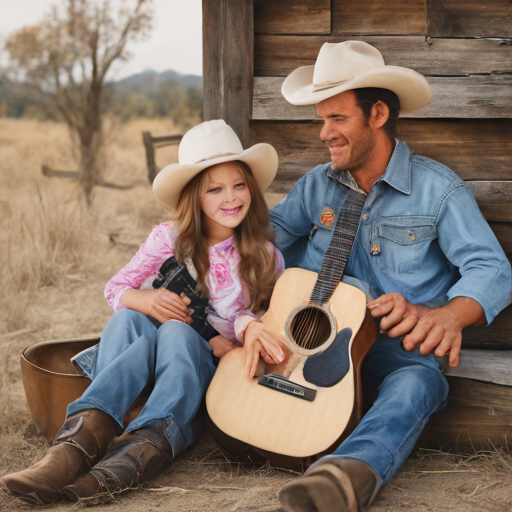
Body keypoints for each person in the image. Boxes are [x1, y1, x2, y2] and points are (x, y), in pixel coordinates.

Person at [263, 41, 512, 512]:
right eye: (322, 118)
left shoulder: (438, 189)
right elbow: (260, 244)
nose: (323, 133)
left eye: (336, 119)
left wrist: (447, 316)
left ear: (377, 114)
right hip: (313, 350)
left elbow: (493, 269)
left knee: (420, 384)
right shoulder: (315, 185)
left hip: (398, 355)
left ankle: (343, 478)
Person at [0, 119, 285, 506]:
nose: (230, 197)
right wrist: (147, 301)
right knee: (128, 318)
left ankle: (137, 450)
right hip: (148, 365)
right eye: (214, 189)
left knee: (175, 332)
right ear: (194, 197)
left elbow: (268, 317)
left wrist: (243, 324)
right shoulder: (168, 240)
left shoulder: (264, 255)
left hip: (202, 374)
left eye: (239, 185)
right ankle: (73, 449)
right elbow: (115, 289)